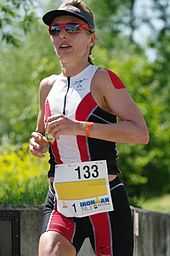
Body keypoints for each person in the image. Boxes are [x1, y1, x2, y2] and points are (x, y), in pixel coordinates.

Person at [29, 0, 149, 255]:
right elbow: (42, 132)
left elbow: (140, 133)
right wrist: (38, 141)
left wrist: (79, 127)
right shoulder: (47, 86)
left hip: (103, 197)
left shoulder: (103, 79)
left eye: (73, 28)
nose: (62, 34)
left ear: (91, 39)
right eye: (55, 29)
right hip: (62, 197)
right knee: (49, 250)